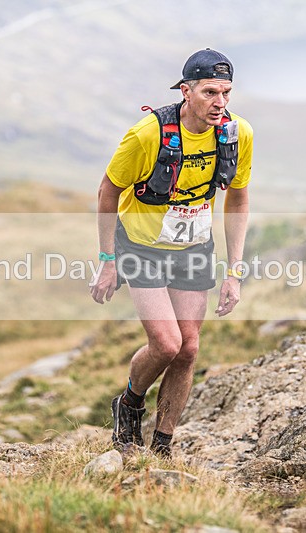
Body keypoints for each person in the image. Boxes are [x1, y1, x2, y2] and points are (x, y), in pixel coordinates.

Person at [90, 48, 253, 457]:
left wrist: (234, 272)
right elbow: (108, 190)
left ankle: (162, 446)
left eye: (226, 92)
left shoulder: (237, 134)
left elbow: (238, 199)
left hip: (193, 247)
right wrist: (107, 261)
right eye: (210, 92)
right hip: (141, 247)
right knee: (166, 343)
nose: (220, 102)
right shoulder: (147, 134)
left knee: (189, 348)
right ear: (186, 91)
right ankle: (130, 403)